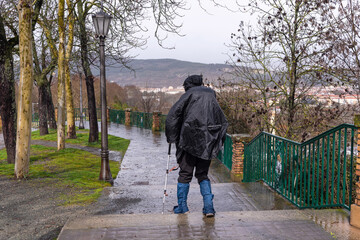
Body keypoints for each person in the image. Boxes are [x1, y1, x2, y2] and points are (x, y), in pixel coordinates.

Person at [165, 75, 228, 217]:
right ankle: (209, 208)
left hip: (188, 142)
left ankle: (182, 207)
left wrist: (172, 138)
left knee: (185, 174)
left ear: (188, 85)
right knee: (202, 174)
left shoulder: (188, 95)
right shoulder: (212, 95)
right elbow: (221, 120)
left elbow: (172, 117)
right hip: (207, 142)